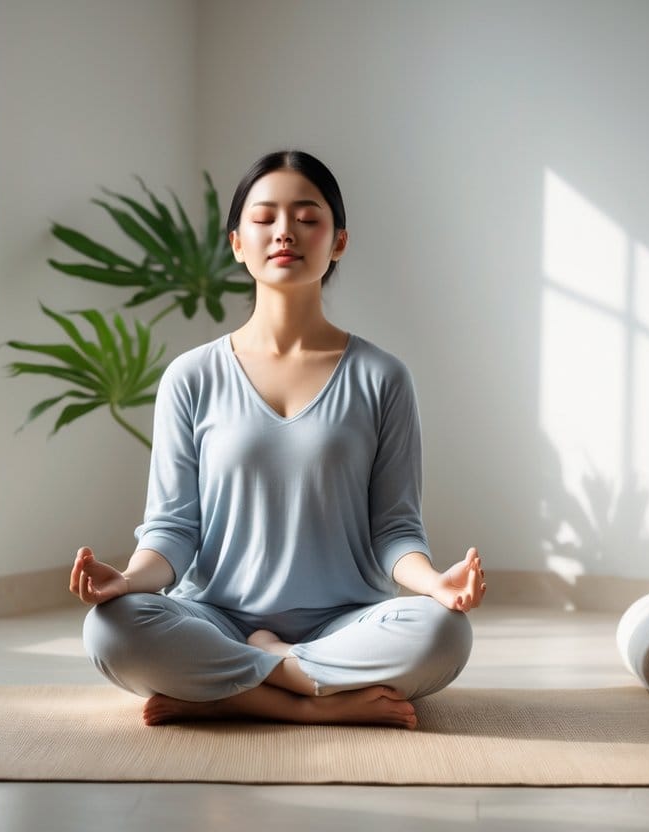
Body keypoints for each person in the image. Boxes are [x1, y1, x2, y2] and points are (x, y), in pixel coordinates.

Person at [69, 150, 486, 729]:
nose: (285, 232)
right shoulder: (191, 377)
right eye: (264, 218)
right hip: (214, 617)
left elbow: (394, 530)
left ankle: (230, 691)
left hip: (346, 621)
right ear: (237, 243)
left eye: (307, 218)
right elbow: (172, 530)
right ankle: (303, 694)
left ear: (338, 242)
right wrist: (127, 581)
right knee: (110, 628)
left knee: (443, 632)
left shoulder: (383, 377)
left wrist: (435, 584)